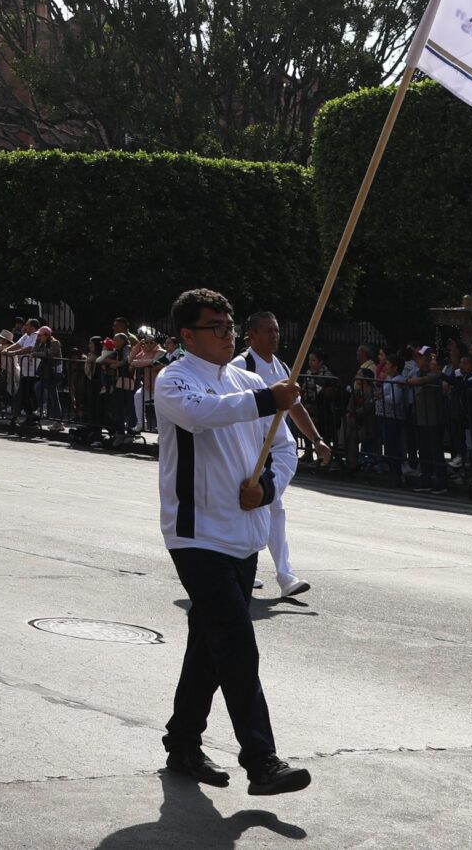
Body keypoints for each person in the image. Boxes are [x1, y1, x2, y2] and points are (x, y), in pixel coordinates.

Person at [152, 287, 311, 797]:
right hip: (197, 535)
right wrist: (269, 396)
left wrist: (266, 488)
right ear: (187, 336)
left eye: (229, 325)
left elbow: (285, 450)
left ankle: (181, 743)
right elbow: (204, 414)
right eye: (215, 328)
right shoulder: (174, 379)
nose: (227, 335)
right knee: (238, 646)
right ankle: (261, 761)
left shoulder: (248, 381)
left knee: (209, 645)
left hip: (244, 537)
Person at [237, 310, 327, 598]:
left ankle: (280, 573)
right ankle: (260, 569)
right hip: (252, 448)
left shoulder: (284, 367)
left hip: (280, 450)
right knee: (266, 506)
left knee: (270, 504)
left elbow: (296, 408)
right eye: (267, 331)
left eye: (276, 330)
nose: (274, 336)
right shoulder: (241, 366)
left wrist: (316, 439)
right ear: (251, 335)